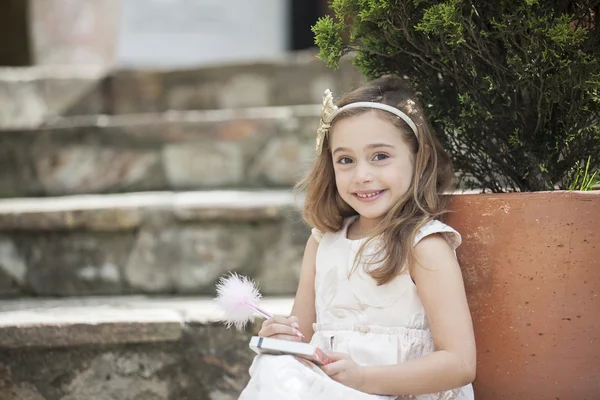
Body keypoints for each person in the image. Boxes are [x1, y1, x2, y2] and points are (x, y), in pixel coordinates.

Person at [239, 76, 476, 400]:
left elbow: (460, 363)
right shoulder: (323, 243)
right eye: (346, 160)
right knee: (273, 368)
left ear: (418, 160)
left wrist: (364, 379)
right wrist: (282, 338)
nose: (362, 175)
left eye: (380, 156)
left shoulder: (424, 247)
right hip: (334, 390)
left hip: (396, 393)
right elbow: (302, 337)